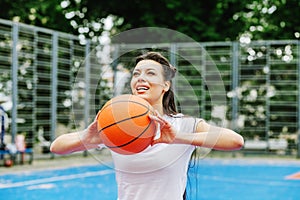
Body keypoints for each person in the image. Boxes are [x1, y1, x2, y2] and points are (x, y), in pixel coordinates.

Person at [50, 51, 244, 200]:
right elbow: (56, 147)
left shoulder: (182, 124)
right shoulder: (116, 126)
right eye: (136, 74)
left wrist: (178, 138)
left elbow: (235, 141)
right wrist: (87, 138)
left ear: (165, 85)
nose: (140, 78)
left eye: (150, 73)